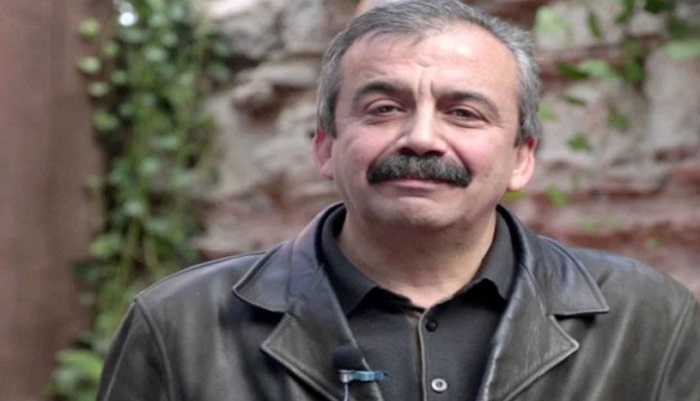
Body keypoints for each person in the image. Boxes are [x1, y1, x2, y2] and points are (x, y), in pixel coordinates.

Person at [97, 1, 700, 400]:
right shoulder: (179, 325)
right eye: (384, 108)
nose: (421, 138)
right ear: (326, 147)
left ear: (522, 156)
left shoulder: (647, 319)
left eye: (464, 112)